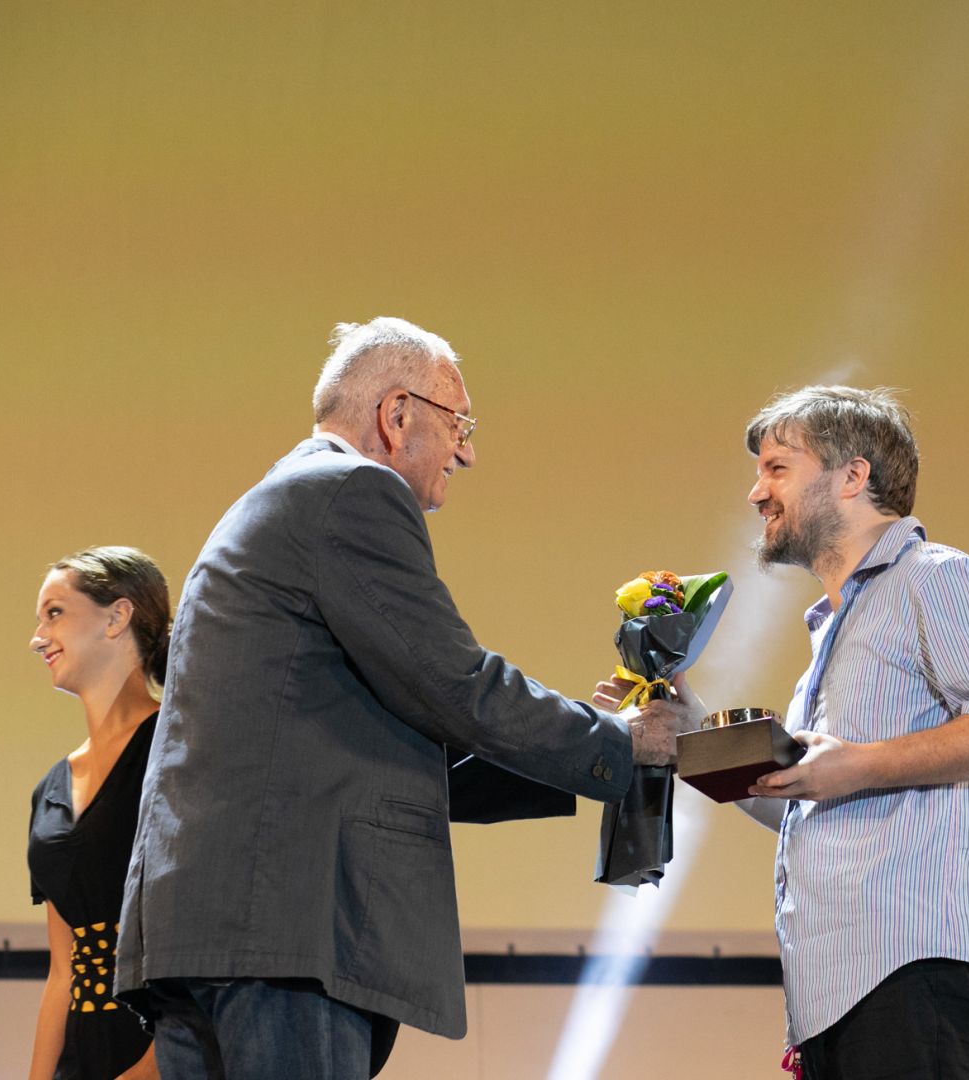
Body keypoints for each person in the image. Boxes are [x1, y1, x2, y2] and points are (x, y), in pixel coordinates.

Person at [113, 317, 681, 1080]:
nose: (467, 452)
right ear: (397, 414)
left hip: (213, 931)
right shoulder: (353, 490)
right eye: (459, 424)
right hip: (286, 932)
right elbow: (452, 683)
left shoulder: (279, 502)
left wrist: (589, 745)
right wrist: (621, 743)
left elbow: (383, 738)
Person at [601, 386, 969, 1079]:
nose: (756, 493)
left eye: (777, 468)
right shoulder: (836, 630)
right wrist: (688, 739)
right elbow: (804, 801)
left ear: (853, 476)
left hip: (919, 970)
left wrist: (860, 764)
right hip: (842, 997)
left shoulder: (936, 578)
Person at [27, 546, 172, 1080]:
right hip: (82, 1055)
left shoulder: (179, 751)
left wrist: (154, 1068)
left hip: (167, 1052)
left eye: (55, 613)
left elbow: (210, 933)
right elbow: (63, 971)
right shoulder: (50, 790)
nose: (37, 637)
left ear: (117, 616)